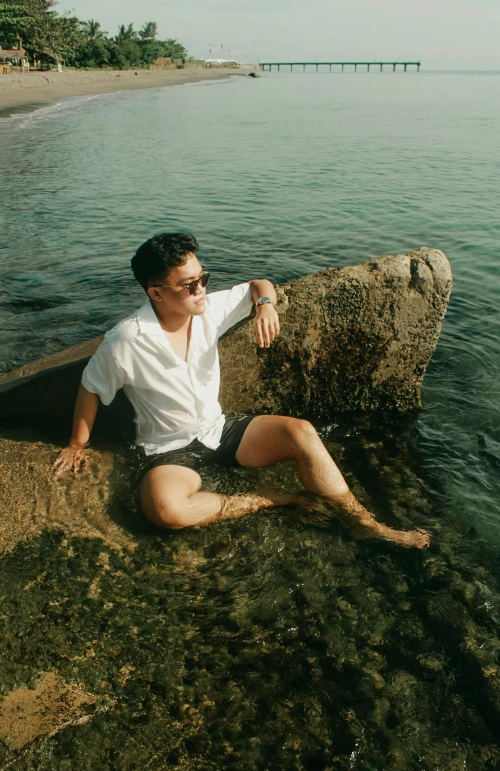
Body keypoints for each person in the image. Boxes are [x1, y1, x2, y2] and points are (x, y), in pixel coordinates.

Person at [52, 233, 429, 548]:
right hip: (168, 450)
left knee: (301, 432)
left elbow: (257, 285)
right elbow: (90, 386)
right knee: (165, 511)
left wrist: (266, 307)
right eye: (189, 285)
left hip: (221, 430)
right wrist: (77, 443)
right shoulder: (126, 341)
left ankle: (362, 521)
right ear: (156, 292)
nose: (201, 289)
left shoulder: (207, 309)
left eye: (203, 278)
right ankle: (265, 499)